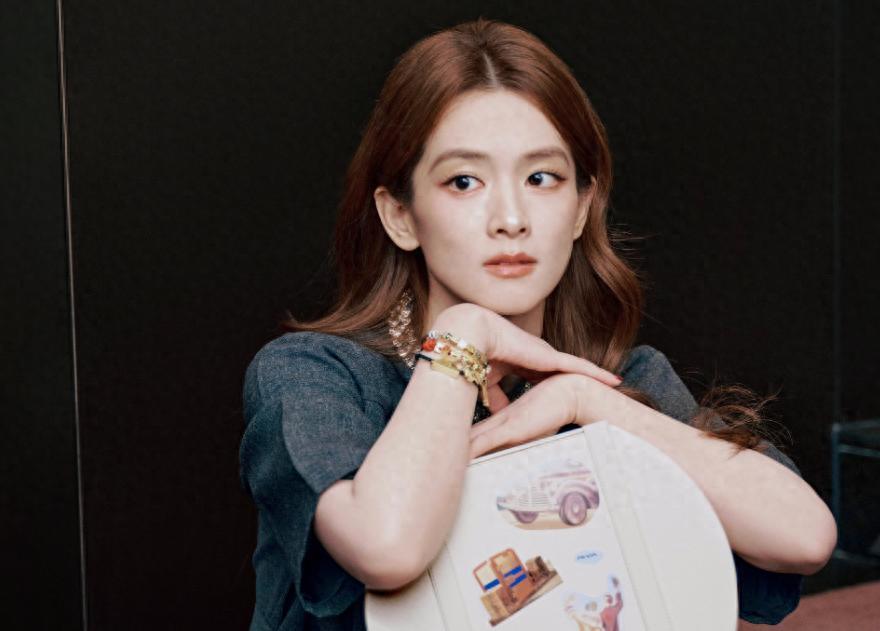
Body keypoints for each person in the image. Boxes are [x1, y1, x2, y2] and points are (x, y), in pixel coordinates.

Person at [238, 17, 837, 631]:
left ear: (580, 208)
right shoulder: (315, 375)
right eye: (464, 181)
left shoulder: (618, 380)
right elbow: (386, 548)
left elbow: (805, 537)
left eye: (541, 178)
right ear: (400, 216)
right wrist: (464, 337)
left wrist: (582, 400)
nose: (511, 218)